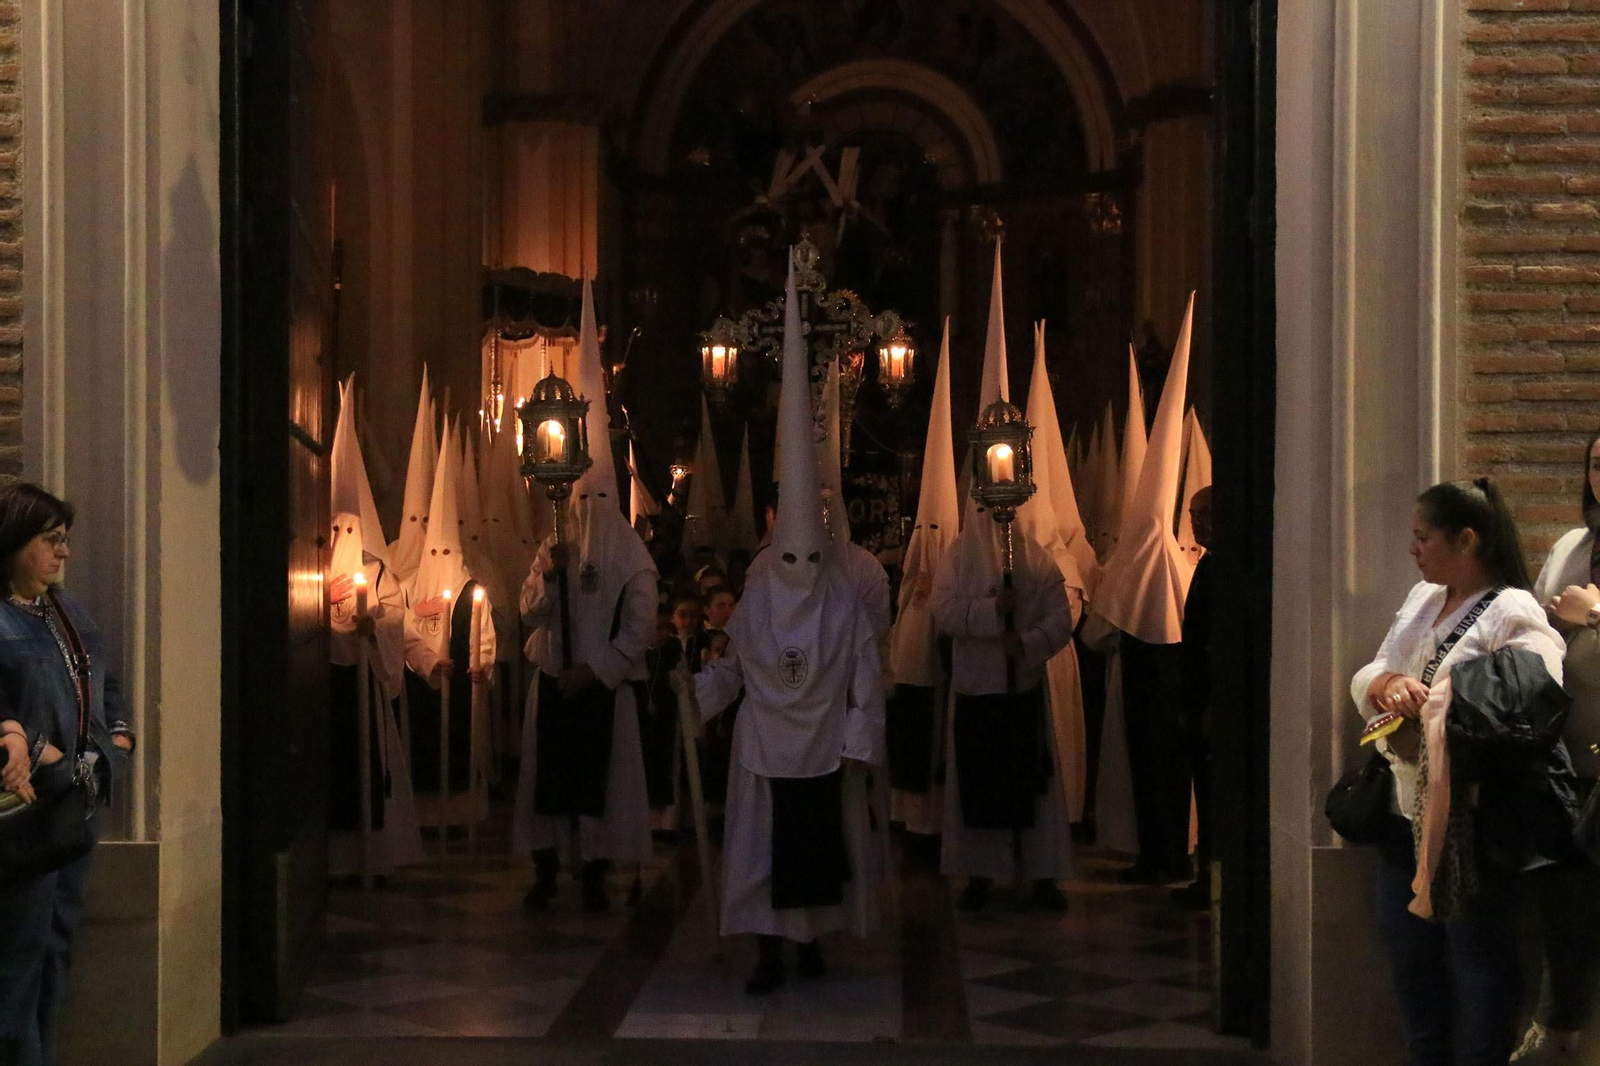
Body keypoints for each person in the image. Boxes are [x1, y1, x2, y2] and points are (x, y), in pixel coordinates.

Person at [688, 255, 887, 995]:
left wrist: (860, 741)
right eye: (790, 551)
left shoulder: (838, 593)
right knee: (765, 849)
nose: (799, 565)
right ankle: (770, 949)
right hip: (766, 744)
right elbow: (735, 663)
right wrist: (699, 693)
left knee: (817, 848)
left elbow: (866, 677)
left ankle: (809, 944)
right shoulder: (762, 584)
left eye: (810, 552)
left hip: (824, 747)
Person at [1352, 478, 1565, 1066]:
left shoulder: (1513, 610)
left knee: (1478, 972)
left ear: (1466, 539)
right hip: (1403, 817)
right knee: (1411, 966)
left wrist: (1442, 705)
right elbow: (1374, 666)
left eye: (1423, 538)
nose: (1412, 550)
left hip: (1468, 825)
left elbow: (1534, 697)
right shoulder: (1424, 598)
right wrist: (1386, 684)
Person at [513, 278, 657, 913]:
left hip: (597, 686)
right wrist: (551, 576)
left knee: (603, 783)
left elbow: (640, 625)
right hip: (553, 677)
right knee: (547, 782)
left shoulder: (629, 551)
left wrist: (594, 672)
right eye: (585, 497)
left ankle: (597, 868)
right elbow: (527, 610)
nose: (591, 509)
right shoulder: (555, 538)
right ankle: (547, 866)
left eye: (601, 498)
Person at [0, 483, 135, 1066]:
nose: (64, 553)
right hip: (23, 816)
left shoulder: (66, 610)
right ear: (13, 542)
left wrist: (119, 739)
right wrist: (36, 746)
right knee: (16, 967)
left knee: (55, 957)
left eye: (65, 541)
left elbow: (103, 683)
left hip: (74, 811)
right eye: (50, 541)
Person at [931, 504, 1077, 910]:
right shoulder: (958, 557)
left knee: (1033, 783)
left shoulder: (1036, 558)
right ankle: (980, 872)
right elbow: (942, 611)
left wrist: (1027, 642)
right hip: (977, 689)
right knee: (978, 785)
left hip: (1021, 691)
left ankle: (1040, 871)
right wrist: (992, 612)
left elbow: (1061, 619)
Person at [1519, 433, 1600, 1064]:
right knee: (1565, 904)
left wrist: (1596, 615)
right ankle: (1560, 1031)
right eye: (1599, 465)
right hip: (1573, 761)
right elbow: (1540, 635)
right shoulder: (1574, 546)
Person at [1173, 486, 1215, 908]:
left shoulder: (1223, 569)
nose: (1195, 523)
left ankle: (1215, 878)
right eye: (1191, 515)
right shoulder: (1207, 565)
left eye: (1204, 515)